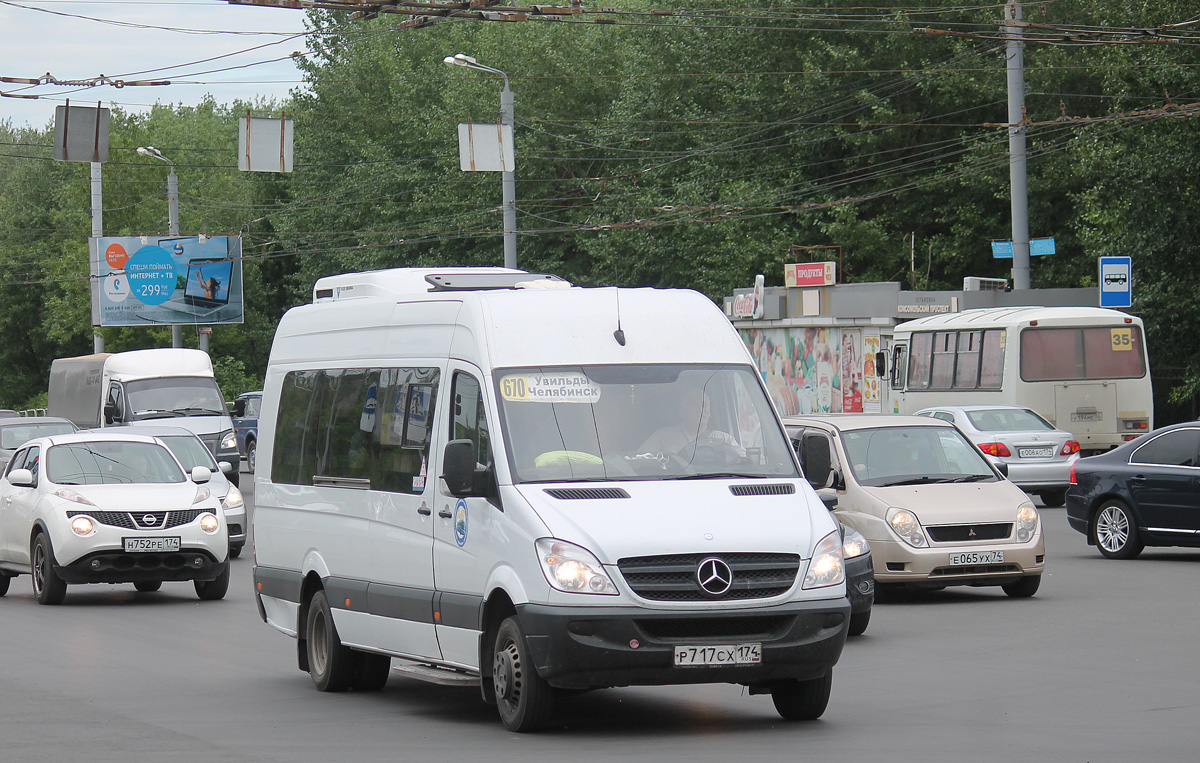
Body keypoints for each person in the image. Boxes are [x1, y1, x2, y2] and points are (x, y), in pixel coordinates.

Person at [639, 387, 746, 459]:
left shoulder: (724, 440)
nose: (700, 409)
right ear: (681, 411)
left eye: (704, 405)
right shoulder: (662, 437)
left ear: (710, 412)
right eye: (693, 404)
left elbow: (745, 463)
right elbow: (638, 459)